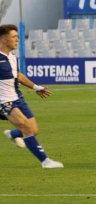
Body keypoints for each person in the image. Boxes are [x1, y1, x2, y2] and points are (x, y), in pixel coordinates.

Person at [0, 24, 63, 168]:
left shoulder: (12, 57)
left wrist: (36, 87)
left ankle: (12, 134)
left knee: (33, 130)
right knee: (26, 128)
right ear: (3, 39)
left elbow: (18, 75)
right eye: (14, 37)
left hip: (18, 98)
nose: (17, 40)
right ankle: (45, 161)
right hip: (4, 102)